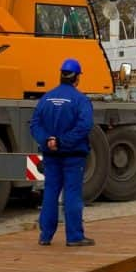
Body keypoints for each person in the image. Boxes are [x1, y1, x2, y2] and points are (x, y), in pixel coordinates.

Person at [31, 58, 95, 247]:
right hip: (73, 155)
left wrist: (48, 140)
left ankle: (45, 236)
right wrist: (63, 141)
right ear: (77, 78)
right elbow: (84, 126)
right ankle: (74, 236)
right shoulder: (80, 100)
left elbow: (35, 124)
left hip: (51, 156)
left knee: (50, 193)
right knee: (72, 195)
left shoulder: (46, 98)